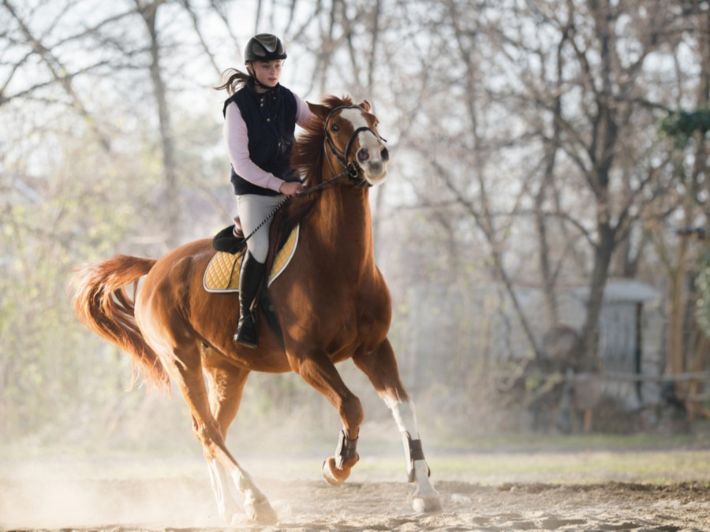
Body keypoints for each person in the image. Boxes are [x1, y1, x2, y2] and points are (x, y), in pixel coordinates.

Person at [216, 33, 313, 348]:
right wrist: (279, 184)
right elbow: (241, 164)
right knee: (258, 247)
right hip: (255, 192)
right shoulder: (236, 107)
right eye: (266, 65)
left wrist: (349, 119)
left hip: (292, 187)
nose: (273, 71)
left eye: (277, 65)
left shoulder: (290, 99)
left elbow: (318, 124)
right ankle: (247, 317)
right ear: (251, 67)